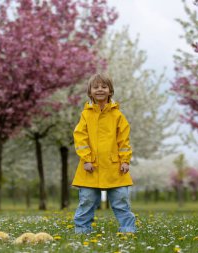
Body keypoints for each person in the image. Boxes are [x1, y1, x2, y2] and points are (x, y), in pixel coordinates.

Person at [72, 72, 136, 234]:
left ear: (110, 91)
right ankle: (82, 230)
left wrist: (125, 161)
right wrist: (86, 159)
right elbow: (80, 138)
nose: (100, 90)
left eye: (104, 86)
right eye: (96, 87)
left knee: (121, 201)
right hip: (90, 167)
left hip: (115, 167)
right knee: (86, 200)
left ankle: (128, 229)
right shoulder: (85, 115)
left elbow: (124, 141)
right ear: (90, 92)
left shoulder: (118, 115)